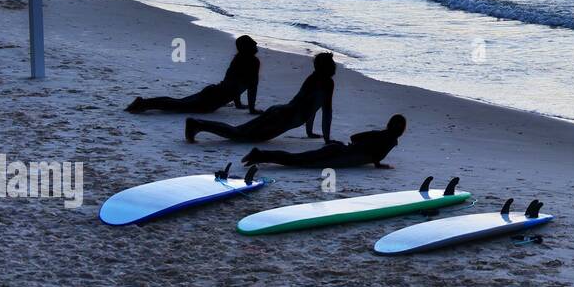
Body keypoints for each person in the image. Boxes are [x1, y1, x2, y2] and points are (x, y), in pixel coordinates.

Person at [185, 52, 335, 144]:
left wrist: (309, 132)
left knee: (238, 131)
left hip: (280, 111)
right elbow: (326, 110)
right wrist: (327, 139)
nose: (335, 67)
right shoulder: (327, 83)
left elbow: (312, 106)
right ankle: (198, 124)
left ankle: (198, 124)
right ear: (326, 67)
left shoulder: (313, 78)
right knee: (239, 135)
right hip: (284, 118)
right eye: (332, 64)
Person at [127, 35, 260, 114]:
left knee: (179, 103)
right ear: (247, 48)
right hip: (213, 99)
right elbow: (251, 86)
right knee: (178, 105)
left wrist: (238, 104)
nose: (256, 43)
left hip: (214, 92)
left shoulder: (238, 59)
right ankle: (143, 104)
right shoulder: (252, 62)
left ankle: (143, 103)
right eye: (252, 43)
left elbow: (234, 83)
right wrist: (252, 109)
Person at [243, 115, 406, 169]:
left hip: (338, 150)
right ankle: (259, 154)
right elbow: (376, 156)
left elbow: (355, 138)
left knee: (297, 159)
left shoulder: (381, 135)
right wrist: (377, 163)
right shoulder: (389, 140)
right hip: (338, 155)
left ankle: (260, 155)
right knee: (297, 160)